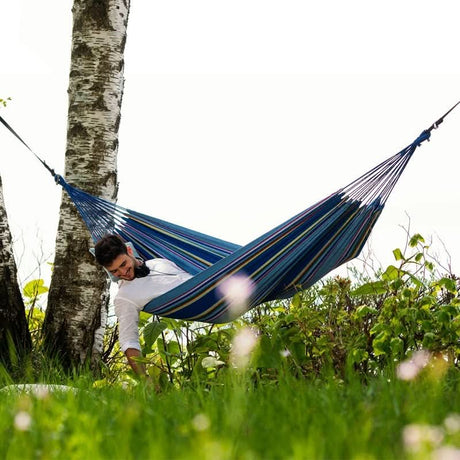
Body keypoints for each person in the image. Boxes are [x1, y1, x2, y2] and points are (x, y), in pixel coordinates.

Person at [94, 234, 192, 376]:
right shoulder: (125, 296)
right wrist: (145, 378)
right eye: (114, 271)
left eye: (123, 264)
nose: (122, 273)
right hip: (201, 300)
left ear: (129, 251)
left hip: (214, 285)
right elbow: (129, 341)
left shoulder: (159, 262)